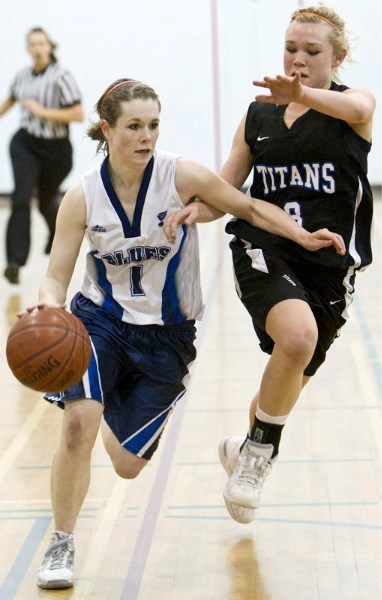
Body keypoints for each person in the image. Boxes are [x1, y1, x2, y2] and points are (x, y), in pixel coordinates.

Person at [21, 78, 345, 589]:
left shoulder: (182, 175)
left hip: (166, 337)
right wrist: (47, 303)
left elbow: (250, 207)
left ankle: (109, 409)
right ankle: (61, 542)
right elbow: (57, 273)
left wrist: (301, 234)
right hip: (98, 322)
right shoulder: (81, 196)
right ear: (107, 129)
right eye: (133, 126)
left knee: (127, 466)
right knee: (77, 426)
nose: (146, 136)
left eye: (153, 125)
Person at [213, 5, 374, 523]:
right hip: (267, 246)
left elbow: (357, 109)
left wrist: (301, 94)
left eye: (312, 51)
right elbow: (225, 191)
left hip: (329, 265)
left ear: (338, 57)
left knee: (285, 381)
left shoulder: (357, 106)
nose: (298, 60)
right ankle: (258, 460)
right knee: (297, 338)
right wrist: (190, 207)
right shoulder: (258, 115)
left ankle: (246, 449)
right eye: (290, 49)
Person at [0, 27, 83, 285]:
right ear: (28, 48)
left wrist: (42, 111)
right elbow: (10, 101)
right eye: (32, 44)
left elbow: (78, 114)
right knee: (22, 196)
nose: (37, 48)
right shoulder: (22, 76)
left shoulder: (61, 77)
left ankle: (54, 232)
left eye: (41, 44)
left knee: (47, 200)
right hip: (25, 144)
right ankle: (14, 262)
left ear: (49, 47)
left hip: (56, 151)